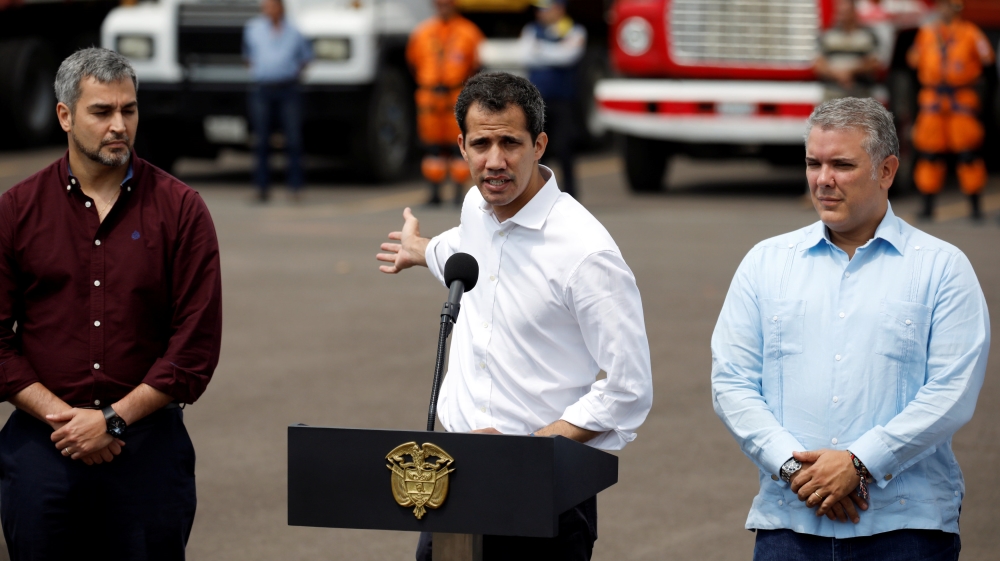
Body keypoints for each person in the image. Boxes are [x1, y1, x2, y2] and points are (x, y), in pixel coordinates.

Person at [376, 72, 653, 560]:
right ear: (461, 145)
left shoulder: (585, 254)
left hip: (540, 490)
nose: (495, 161)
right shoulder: (475, 209)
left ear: (540, 144)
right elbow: (464, 255)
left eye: (511, 142)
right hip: (451, 480)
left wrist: (531, 445)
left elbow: (628, 387)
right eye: (481, 143)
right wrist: (421, 250)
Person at [711, 97, 989, 560]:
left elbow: (951, 392)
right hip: (790, 524)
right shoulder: (766, 263)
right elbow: (732, 381)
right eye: (813, 163)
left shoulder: (942, 269)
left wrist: (860, 463)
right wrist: (795, 470)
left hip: (906, 529)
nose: (823, 180)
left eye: (842, 164)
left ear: (887, 170)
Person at [0, 48, 222, 559]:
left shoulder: (181, 210)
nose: (119, 125)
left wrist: (112, 420)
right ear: (64, 115)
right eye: (102, 112)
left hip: (147, 455)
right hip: (42, 454)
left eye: (129, 110)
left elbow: (195, 347)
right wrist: (67, 421)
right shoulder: (17, 210)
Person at [908, 0, 995, 220]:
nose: (947, 9)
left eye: (952, 5)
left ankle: (975, 206)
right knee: (929, 153)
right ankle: (927, 205)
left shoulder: (971, 33)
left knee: (968, 153)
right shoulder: (927, 33)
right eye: (944, 4)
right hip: (933, 99)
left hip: (961, 99)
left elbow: (988, 64)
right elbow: (913, 63)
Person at [406, 0, 484, 206]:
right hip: (429, 98)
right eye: (439, 3)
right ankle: (434, 194)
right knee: (432, 150)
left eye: (447, 3)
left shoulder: (469, 32)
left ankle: (459, 195)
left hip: (456, 95)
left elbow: (477, 65)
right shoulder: (422, 32)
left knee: (458, 146)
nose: (443, 6)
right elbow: (413, 63)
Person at [243, 0, 313, 202]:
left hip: (288, 89)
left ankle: (295, 186)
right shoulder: (253, 30)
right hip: (262, 89)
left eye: (272, 6)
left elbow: (305, 58)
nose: (268, 10)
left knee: (293, 139)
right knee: (261, 140)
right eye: (265, 6)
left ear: (281, 8)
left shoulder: (294, 32)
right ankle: (262, 187)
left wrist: (290, 73)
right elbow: (248, 56)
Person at [519, 0, 587, 198]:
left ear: (559, 9)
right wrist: (554, 51)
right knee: (537, 150)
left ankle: (570, 195)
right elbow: (525, 56)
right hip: (537, 102)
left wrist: (540, 50)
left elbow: (568, 57)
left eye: (545, 9)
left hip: (564, 101)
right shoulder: (531, 30)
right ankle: (537, 195)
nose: (540, 13)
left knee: (564, 148)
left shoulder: (575, 30)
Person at [814, 0, 881, 101]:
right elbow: (818, 64)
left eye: (846, 12)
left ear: (854, 12)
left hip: (861, 93)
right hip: (832, 94)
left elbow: (874, 63)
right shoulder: (827, 36)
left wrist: (851, 72)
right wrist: (838, 75)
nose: (842, 16)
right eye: (840, 12)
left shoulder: (868, 35)